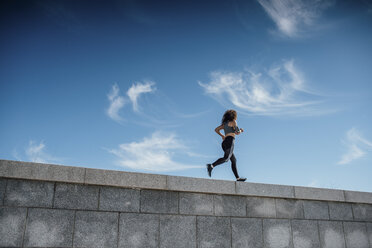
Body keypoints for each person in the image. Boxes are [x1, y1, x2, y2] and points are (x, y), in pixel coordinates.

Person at [207, 109, 247, 181]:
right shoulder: (233, 122)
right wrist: (241, 130)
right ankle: (211, 165)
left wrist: (222, 136)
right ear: (234, 116)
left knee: (233, 160)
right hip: (230, 141)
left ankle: (238, 178)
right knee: (226, 159)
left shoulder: (225, 124)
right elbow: (237, 132)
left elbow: (216, 130)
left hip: (224, 142)